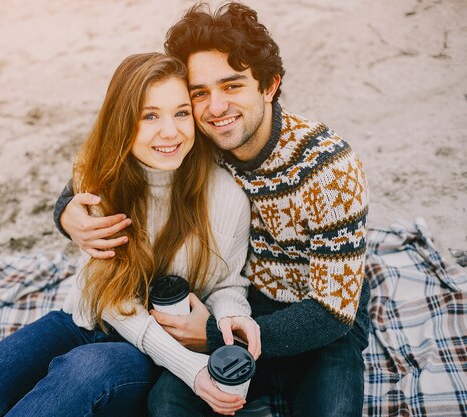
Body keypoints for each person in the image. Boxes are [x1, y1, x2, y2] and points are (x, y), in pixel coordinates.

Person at [54, 2, 370, 417]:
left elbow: (333, 314)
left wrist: (213, 338)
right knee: (166, 404)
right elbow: (112, 163)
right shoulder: (194, 138)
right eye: (200, 93)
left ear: (269, 85)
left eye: (232, 86)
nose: (215, 108)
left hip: (314, 322)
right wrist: (66, 212)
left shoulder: (329, 169)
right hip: (235, 302)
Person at [0, 52, 260, 417]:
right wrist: (191, 368)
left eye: (181, 113)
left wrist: (224, 327)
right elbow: (110, 297)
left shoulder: (226, 196)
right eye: (149, 115)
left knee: (83, 371)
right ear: (123, 122)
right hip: (85, 318)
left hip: (155, 352)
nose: (170, 131)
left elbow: (229, 284)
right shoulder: (100, 180)